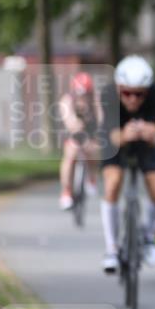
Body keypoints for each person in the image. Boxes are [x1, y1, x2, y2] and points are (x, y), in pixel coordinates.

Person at [98, 55, 155, 273]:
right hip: (116, 140)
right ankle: (111, 248)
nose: (133, 99)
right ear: (119, 88)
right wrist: (125, 135)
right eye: (127, 93)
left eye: (139, 94)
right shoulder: (108, 95)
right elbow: (111, 136)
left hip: (145, 143)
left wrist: (149, 133)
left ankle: (148, 237)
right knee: (113, 183)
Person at [57, 72, 103, 210]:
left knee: (94, 150)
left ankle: (92, 177)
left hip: (91, 131)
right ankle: (66, 191)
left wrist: (96, 138)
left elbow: (101, 120)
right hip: (74, 132)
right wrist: (75, 125)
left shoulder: (96, 100)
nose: (82, 97)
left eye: (86, 94)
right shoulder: (67, 100)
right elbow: (69, 122)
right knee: (70, 154)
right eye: (79, 94)